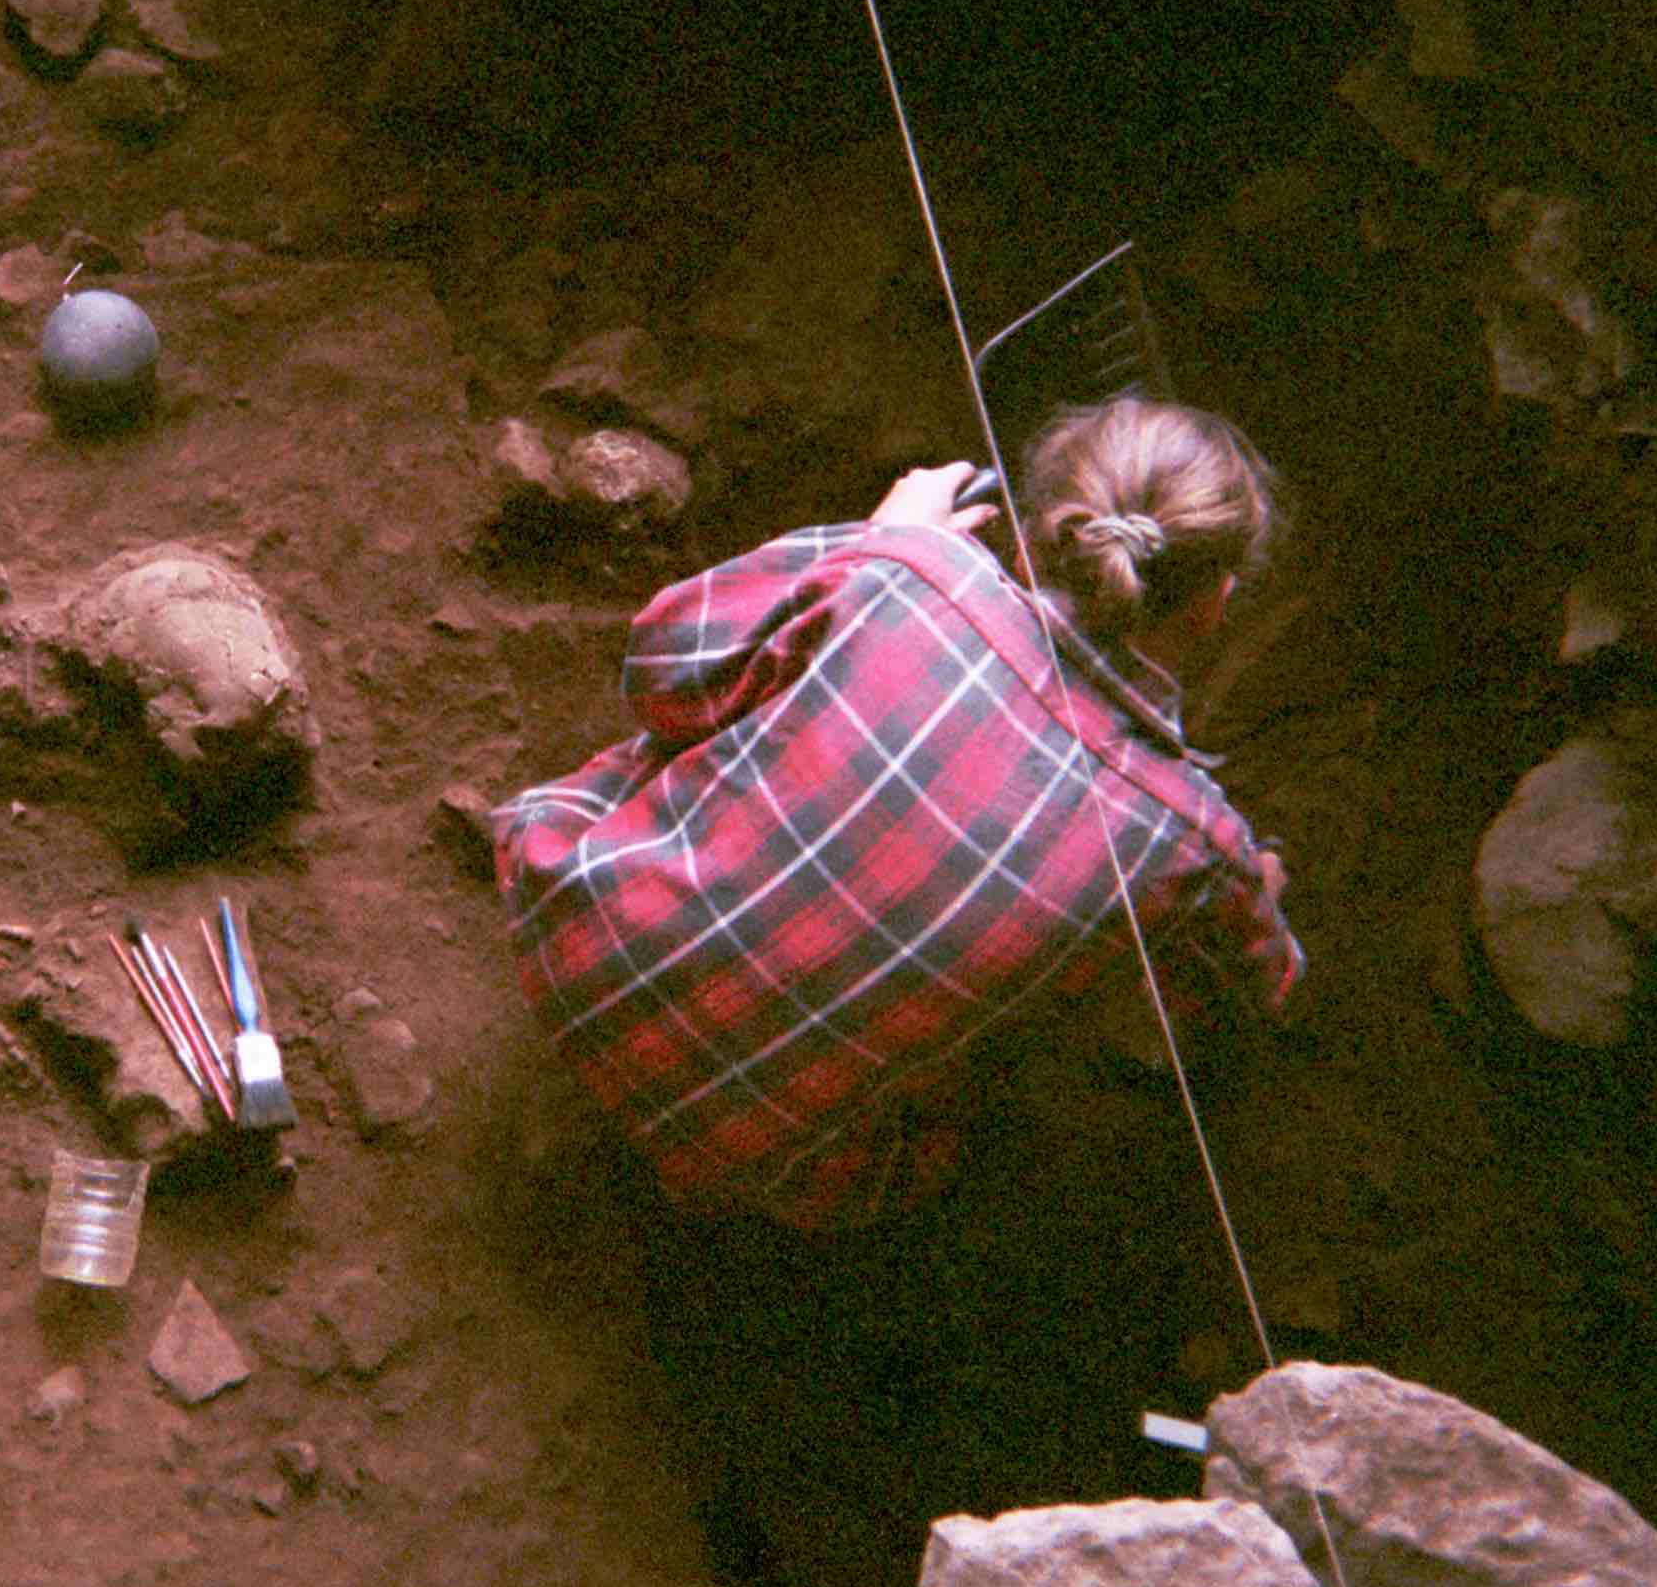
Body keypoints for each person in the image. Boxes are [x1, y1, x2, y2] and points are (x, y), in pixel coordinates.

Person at [492, 394, 1304, 1232]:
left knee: (732, 714)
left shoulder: (905, 571)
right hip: (771, 1161)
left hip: (571, 937)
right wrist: (1253, 883)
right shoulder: (1196, 840)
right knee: (1026, 1041)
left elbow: (660, 670)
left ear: (1028, 533)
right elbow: (1261, 989)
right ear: (1216, 600)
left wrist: (876, 544)